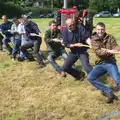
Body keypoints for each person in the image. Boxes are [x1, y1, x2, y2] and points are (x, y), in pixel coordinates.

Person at [88, 22, 120, 103]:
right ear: (96, 30)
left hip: (110, 62)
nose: (100, 31)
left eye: (102, 29)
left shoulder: (110, 37)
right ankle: (108, 92)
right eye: (98, 29)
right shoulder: (93, 39)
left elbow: (115, 45)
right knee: (91, 77)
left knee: (117, 80)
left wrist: (117, 48)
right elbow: (99, 52)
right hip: (101, 63)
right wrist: (109, 52)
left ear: (104, 29)